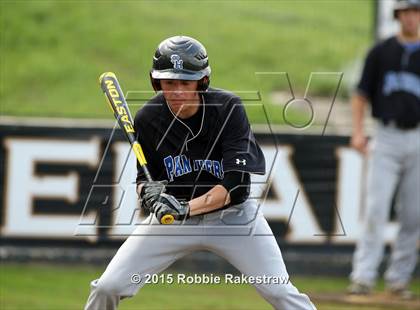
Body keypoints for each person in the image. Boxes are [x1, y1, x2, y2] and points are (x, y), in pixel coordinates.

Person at [84, 35, 316, 310]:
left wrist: (185, 209)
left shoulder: (228, 109)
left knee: (279, 292)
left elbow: (236, 186)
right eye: (170, 82)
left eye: (186, 81)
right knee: (108, 287)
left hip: (234, 218)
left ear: (202, 81)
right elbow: (143, 178)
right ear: (156, 82)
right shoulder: (148, 118)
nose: (178, 90)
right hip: (174, 223)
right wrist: (147, 193)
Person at [348, 0, 420, 299]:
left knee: (414, 214)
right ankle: (363, 276)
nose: (411, 17)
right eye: (406, 12)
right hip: (386, 135)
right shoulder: (381, 52)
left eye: (416, 12)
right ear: (398, 15)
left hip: (418, 136)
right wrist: (357, 131)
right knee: (377, 208)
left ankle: (399, 279)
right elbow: (361, 94)